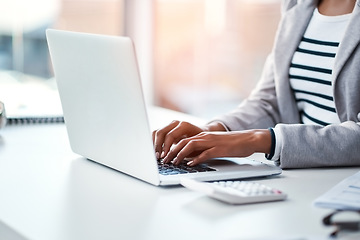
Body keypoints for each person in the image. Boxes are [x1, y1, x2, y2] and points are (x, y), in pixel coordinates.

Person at [152, 0, 360, 169]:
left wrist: (257, 140)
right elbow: (270, 101)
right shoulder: (297, 5)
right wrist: (215, 130)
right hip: (304, 174)